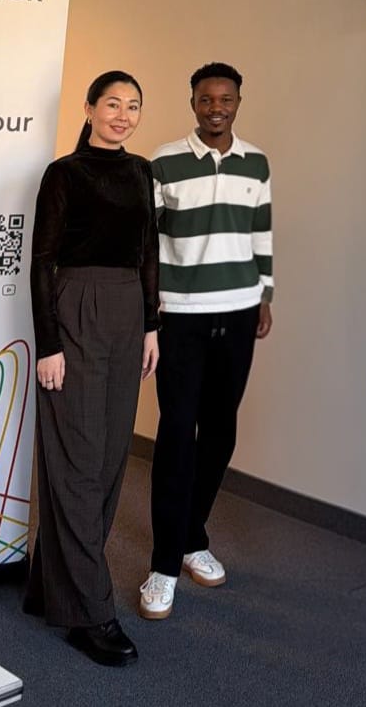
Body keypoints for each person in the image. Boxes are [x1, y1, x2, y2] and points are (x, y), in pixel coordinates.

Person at [25, 71, 160, 667]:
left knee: (107, 461)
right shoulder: (64, 175)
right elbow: (41, 262)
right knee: (77, 460)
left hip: (128, 315)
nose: (123, 115)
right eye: (112, 104)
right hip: (75, 311)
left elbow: (149, 251)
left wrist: (151, 325)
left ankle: (49, 586)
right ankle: (89, 611)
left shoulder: (142, 172)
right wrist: (48, 344)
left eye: (133, 106)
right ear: (88, 108)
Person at [138, 62, 272, 620]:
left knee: (220, 432)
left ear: (239, 102)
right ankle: (163, 566)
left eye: (226, 99)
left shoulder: (256, 162)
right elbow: (147, 243)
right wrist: (150, 312)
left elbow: (261, 230)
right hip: (182, 316)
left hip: (239, 312)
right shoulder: (164, 161)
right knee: (177, 433)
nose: (216, 108)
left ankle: (192, 537)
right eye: (206, 99)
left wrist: (265, 294)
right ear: (193, 103)